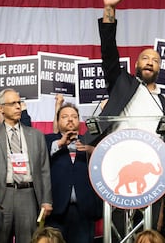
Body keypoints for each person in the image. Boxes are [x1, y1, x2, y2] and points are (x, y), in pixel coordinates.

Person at [83, 0, 165, 238]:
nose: (150, 61)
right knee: (117, 233)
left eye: (156, 60)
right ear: (136, 65)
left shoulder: (164, 105)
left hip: (154, 174)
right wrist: (109, 9)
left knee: (150, 234)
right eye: (145, 58)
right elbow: (108, 50)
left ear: (160, 68)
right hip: (119, 166)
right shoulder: (122, 83)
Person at [0, 88, 52, 243]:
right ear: (0, 108)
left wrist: (46, 200)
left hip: (28, 196)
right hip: (0, 198)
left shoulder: (36, 135)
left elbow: (44, 170)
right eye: (12, 103)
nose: (18, 107)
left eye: (19, 102)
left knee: (29, 239)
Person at [45, 101, 102, 243]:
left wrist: (91, 151)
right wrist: (59, 144)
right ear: (57, 121)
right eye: (64, 116)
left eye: (74, 116)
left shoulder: (91, 141)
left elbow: (105, 163)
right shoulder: (48, 140)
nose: (70, 119)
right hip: (56, 209)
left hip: (84, 210)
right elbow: (39, 161)